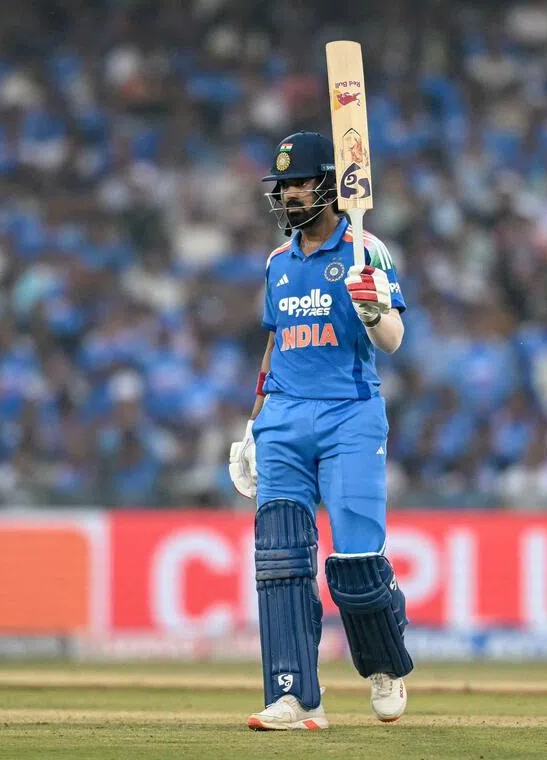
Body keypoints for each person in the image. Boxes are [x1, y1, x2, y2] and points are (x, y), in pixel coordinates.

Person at [227, 132, 412, 730]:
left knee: (355, 556)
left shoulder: (366, 249)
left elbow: (393, 342)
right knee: (280, 557)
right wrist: (253, 424)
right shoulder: (277, 263)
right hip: (283, 415)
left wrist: (374, 310)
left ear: (329, 185)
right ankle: (295, 695)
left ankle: (384, 665)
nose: (285, 196)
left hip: (349, 415)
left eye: (297, 184)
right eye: (280, 187)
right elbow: (275, 342)